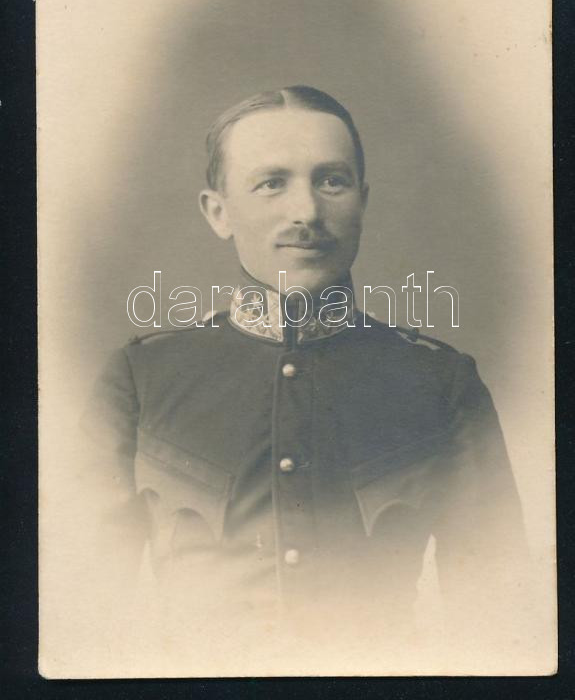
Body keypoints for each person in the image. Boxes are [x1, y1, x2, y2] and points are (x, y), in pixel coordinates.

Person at [83, 86, 528, 670]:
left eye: (332, 181)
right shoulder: (141, 380)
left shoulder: (441, 383)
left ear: (362, 200)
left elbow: (499, 625)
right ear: (218, 212)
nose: (308, 214)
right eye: (272, 183)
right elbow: (83, 621)